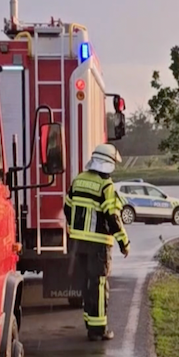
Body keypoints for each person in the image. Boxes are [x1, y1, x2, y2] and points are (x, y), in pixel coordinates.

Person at [63, 143, 130, 341]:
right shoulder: (106, 186)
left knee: (86, 284)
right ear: (108, 164)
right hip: (98, 244)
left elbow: (67, 208)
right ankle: (99, 330)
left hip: (78, 242)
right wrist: (123, 242)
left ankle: (90, 326)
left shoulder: (78, 180)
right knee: (99, 285)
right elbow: (113, 217)